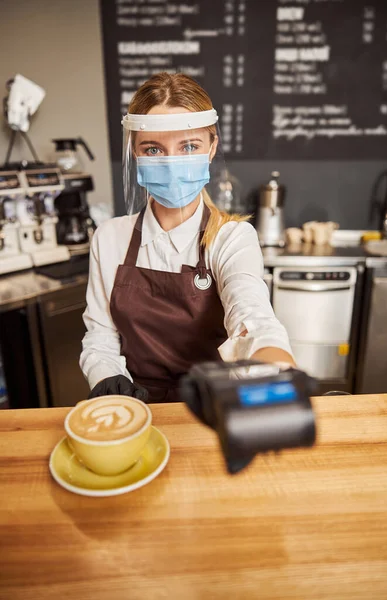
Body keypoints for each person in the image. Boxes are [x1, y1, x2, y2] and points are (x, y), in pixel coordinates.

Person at [80, 72, 294, 403]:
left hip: (212, 404)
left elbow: (252, 316)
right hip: (137, 404)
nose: (170, 163)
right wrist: (109, 376)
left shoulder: (231, 239)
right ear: (135, 153)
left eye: (189, 146)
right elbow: (101, 335)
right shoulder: (109, 238)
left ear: (212, 149)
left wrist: (275, 365)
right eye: (153, 149)